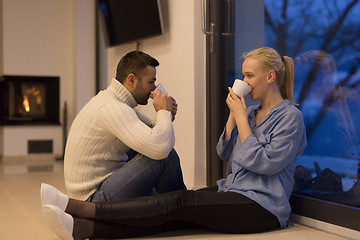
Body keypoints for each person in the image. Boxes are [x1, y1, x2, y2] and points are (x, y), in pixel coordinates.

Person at [41, 47, 307, 240]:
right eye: (243, 76)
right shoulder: (250, 113)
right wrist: (234, 116)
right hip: (233, 192)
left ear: (270, 77)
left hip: (262, 208)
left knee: (180, 201)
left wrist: (240, 117)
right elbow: (224, 152)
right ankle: (84, 229)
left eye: (249, 76)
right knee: (175, 208)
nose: (243, 82)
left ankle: (80, 208)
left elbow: (263, 163)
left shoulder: (290, 117)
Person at [63, 51, 186, 203]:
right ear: (132, 80)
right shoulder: (111, 107)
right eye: (151, 82)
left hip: (100, 187)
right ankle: (185, 207)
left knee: (153, 148)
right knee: (164, 157)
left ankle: (176, 205)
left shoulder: (115, 103)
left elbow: (151, 132)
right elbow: (160, 147)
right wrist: (163, 112)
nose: (154, 89)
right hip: (92, 198)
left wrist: (166, 115)